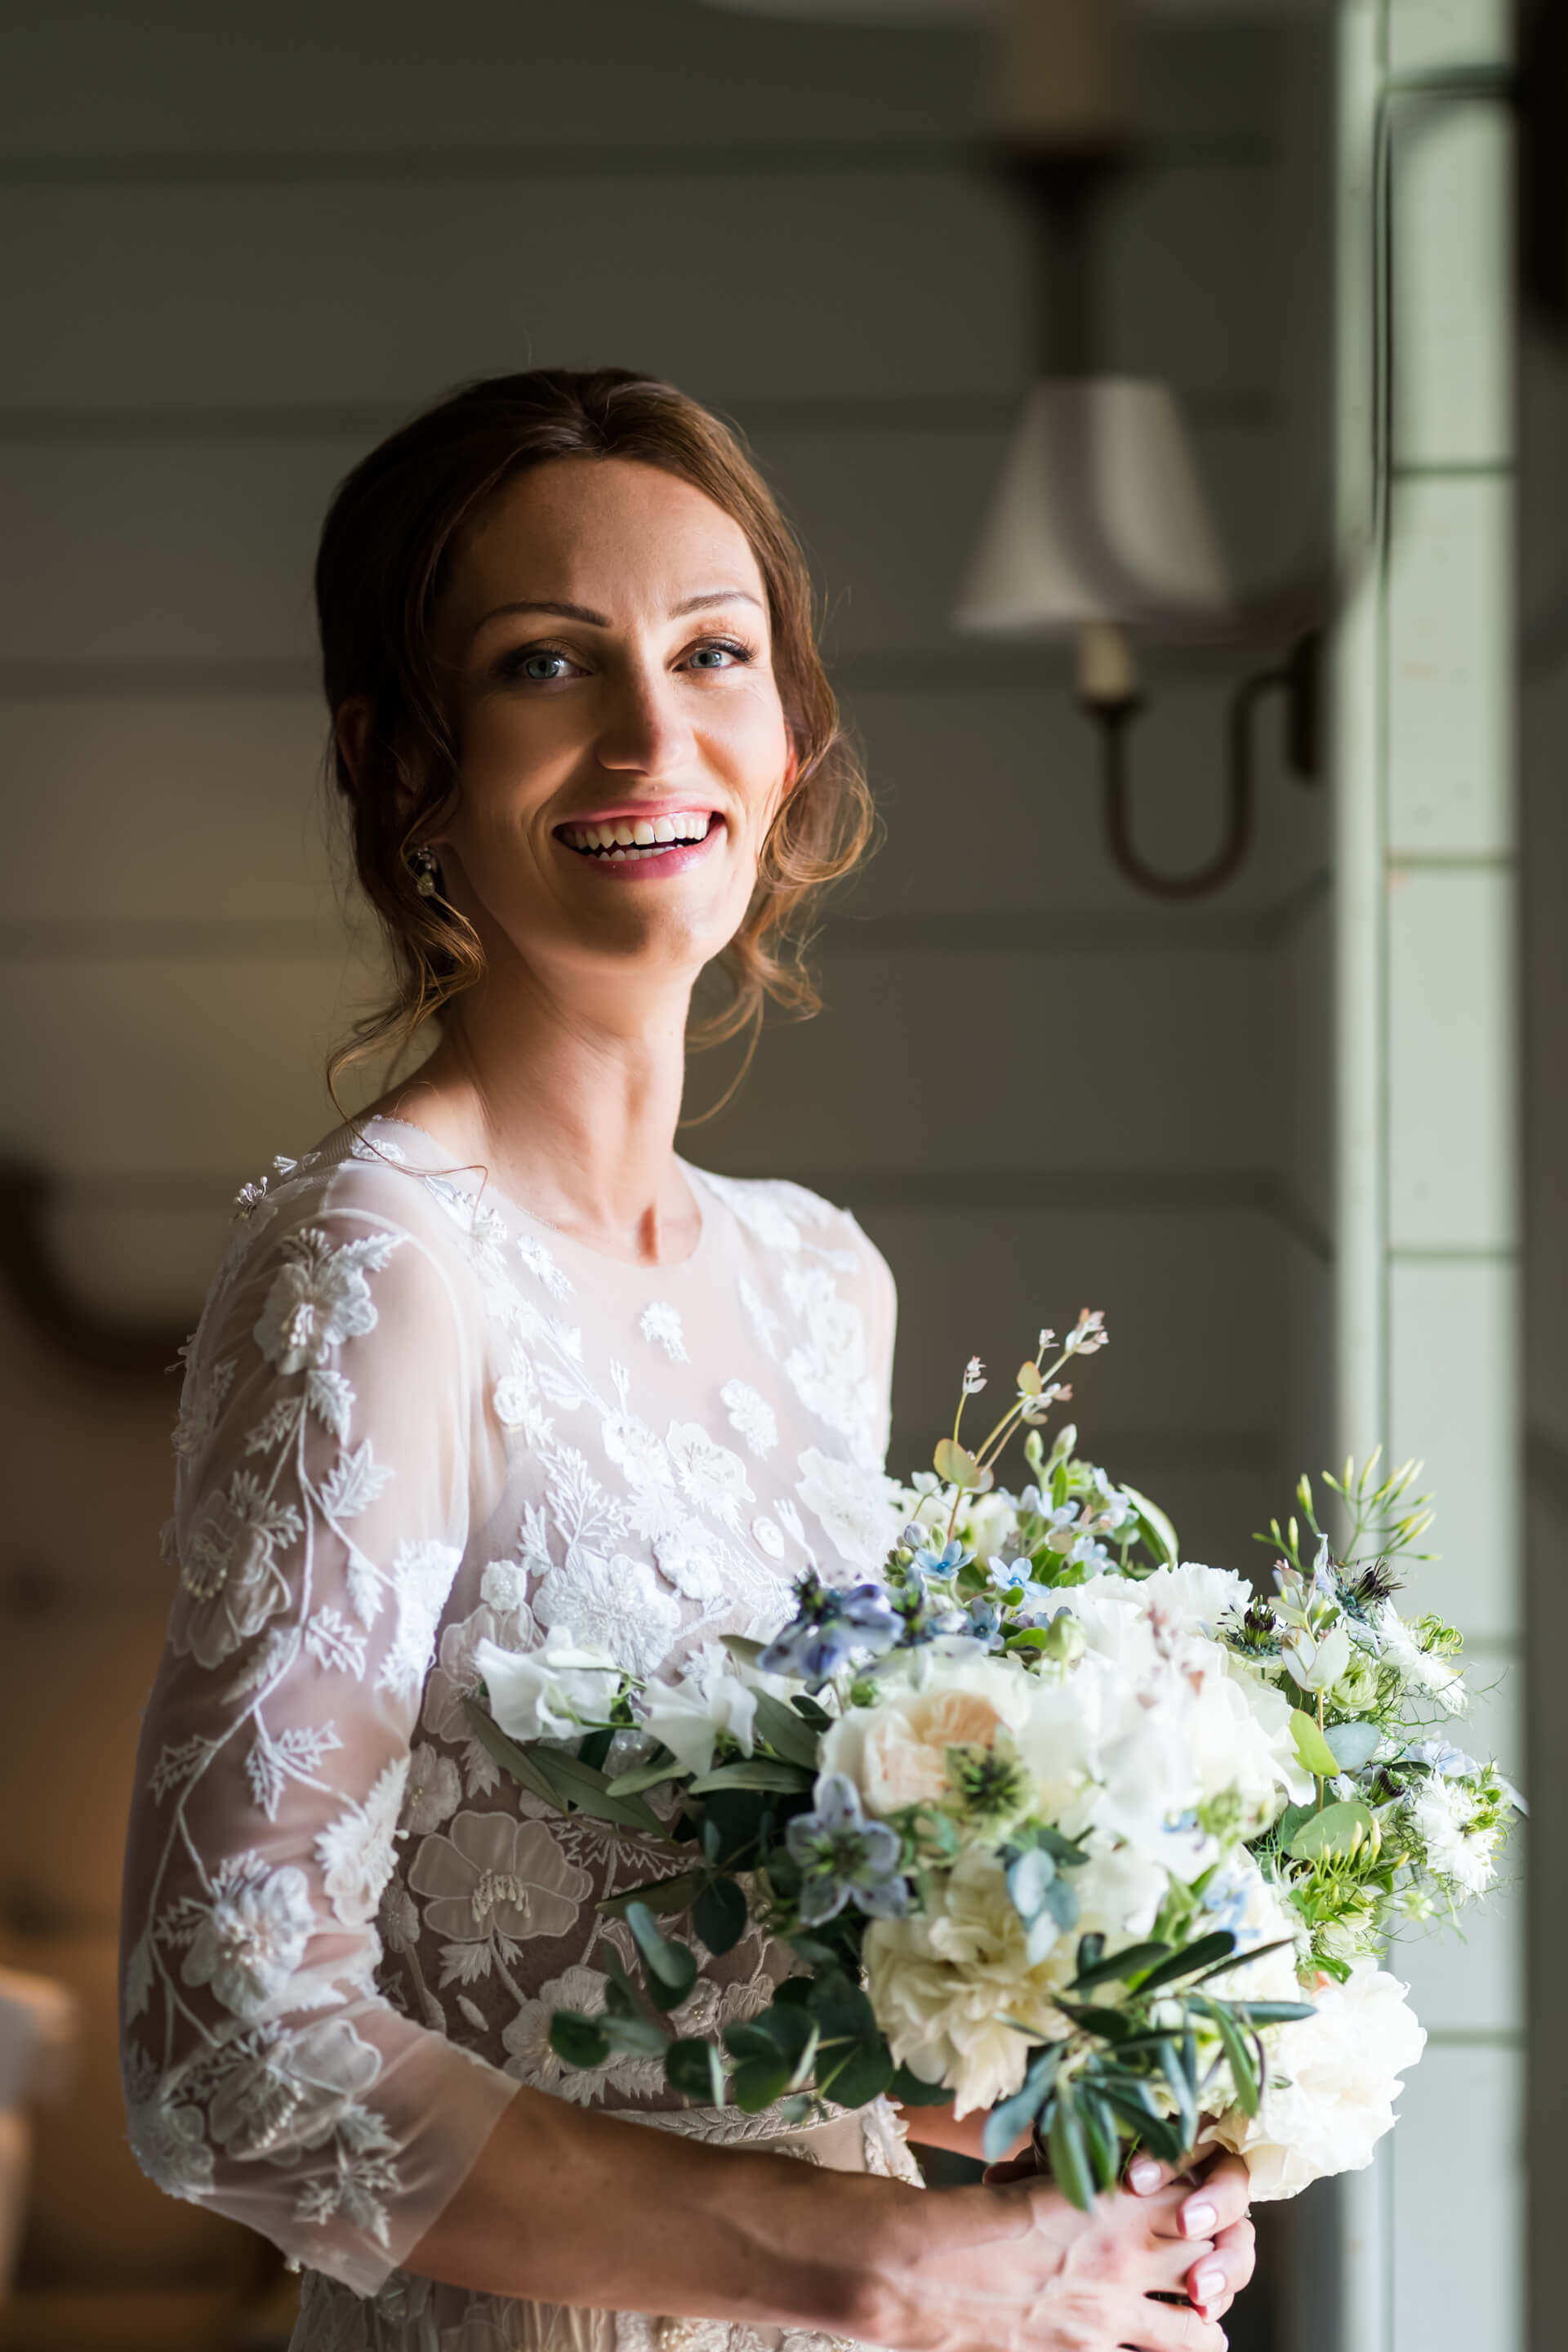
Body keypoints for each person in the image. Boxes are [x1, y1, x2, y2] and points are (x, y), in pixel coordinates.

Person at [120, 369, 1255, 2352]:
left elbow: (734, 1981)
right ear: (401, 767)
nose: (656, 731)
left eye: (714, 653)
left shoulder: (819, 1280)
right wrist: (884, 2268)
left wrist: (1076, 2115)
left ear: (791, 736)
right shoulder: (375, 1269)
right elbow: (227, 2047)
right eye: (550, 663)